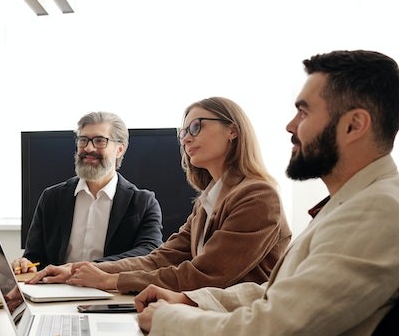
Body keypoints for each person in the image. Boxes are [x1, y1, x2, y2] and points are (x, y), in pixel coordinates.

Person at [134, 50, 399, 336]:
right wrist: (192, 302)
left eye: (303, 112)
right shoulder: (355, 201)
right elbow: (280, 293)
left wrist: (169, 320)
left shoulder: (377, 211)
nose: (290, 126)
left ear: (354, 125)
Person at [29, 97, 291, 294]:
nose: (186, 139)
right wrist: (76, 270)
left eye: (196, 127)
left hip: (237, 327)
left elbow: (206, 274)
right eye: (184, 133)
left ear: (232, 130)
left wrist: (111, 280)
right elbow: (161, 258)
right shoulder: (207, 201)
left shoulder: (258, 196)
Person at [12, 111, 164, 274]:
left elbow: (149, 252)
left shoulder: (143, 202)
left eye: (99, 141)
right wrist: (26, 264)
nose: (88, 148)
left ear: (120, 149)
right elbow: (35, 257)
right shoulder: (51, 198)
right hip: (56, 292)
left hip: (111, 293)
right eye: (83, 140)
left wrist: (81, 269)